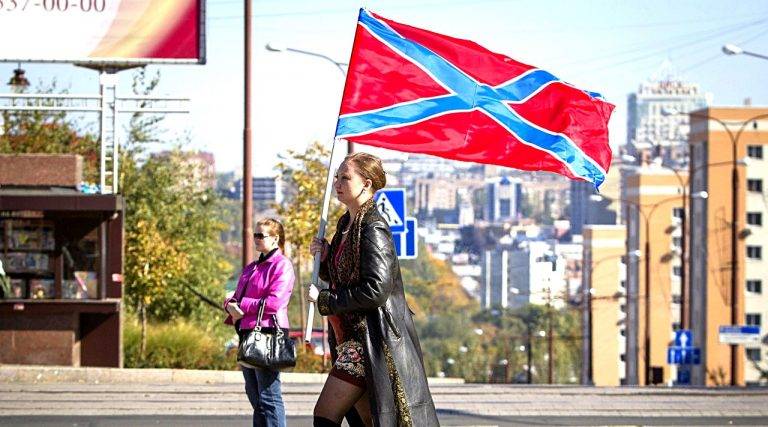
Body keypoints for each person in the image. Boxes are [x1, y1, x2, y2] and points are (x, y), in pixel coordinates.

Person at [308, 152, 439, 427]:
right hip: (350, 338)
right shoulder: (346, 224)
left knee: (325, 414)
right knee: (368, 423)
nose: (338, 183)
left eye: (345, 177)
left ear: (366, 184)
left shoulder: (373, 227)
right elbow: (346, 277)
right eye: (337, 177)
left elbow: (375, 290)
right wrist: (325, 262)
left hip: (370, 342)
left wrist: (326, 301)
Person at [224, 218, 294, 427]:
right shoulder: (252, 268)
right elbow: (236, 296)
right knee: (255, 396)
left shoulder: (282, 265)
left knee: (269, 396)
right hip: (247, 333)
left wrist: (242, 305)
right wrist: (229, 304)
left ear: (275, 239)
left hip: (269, 332)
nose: (255, 239)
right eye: (254, 235)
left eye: (260, 235)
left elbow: (274, 302)